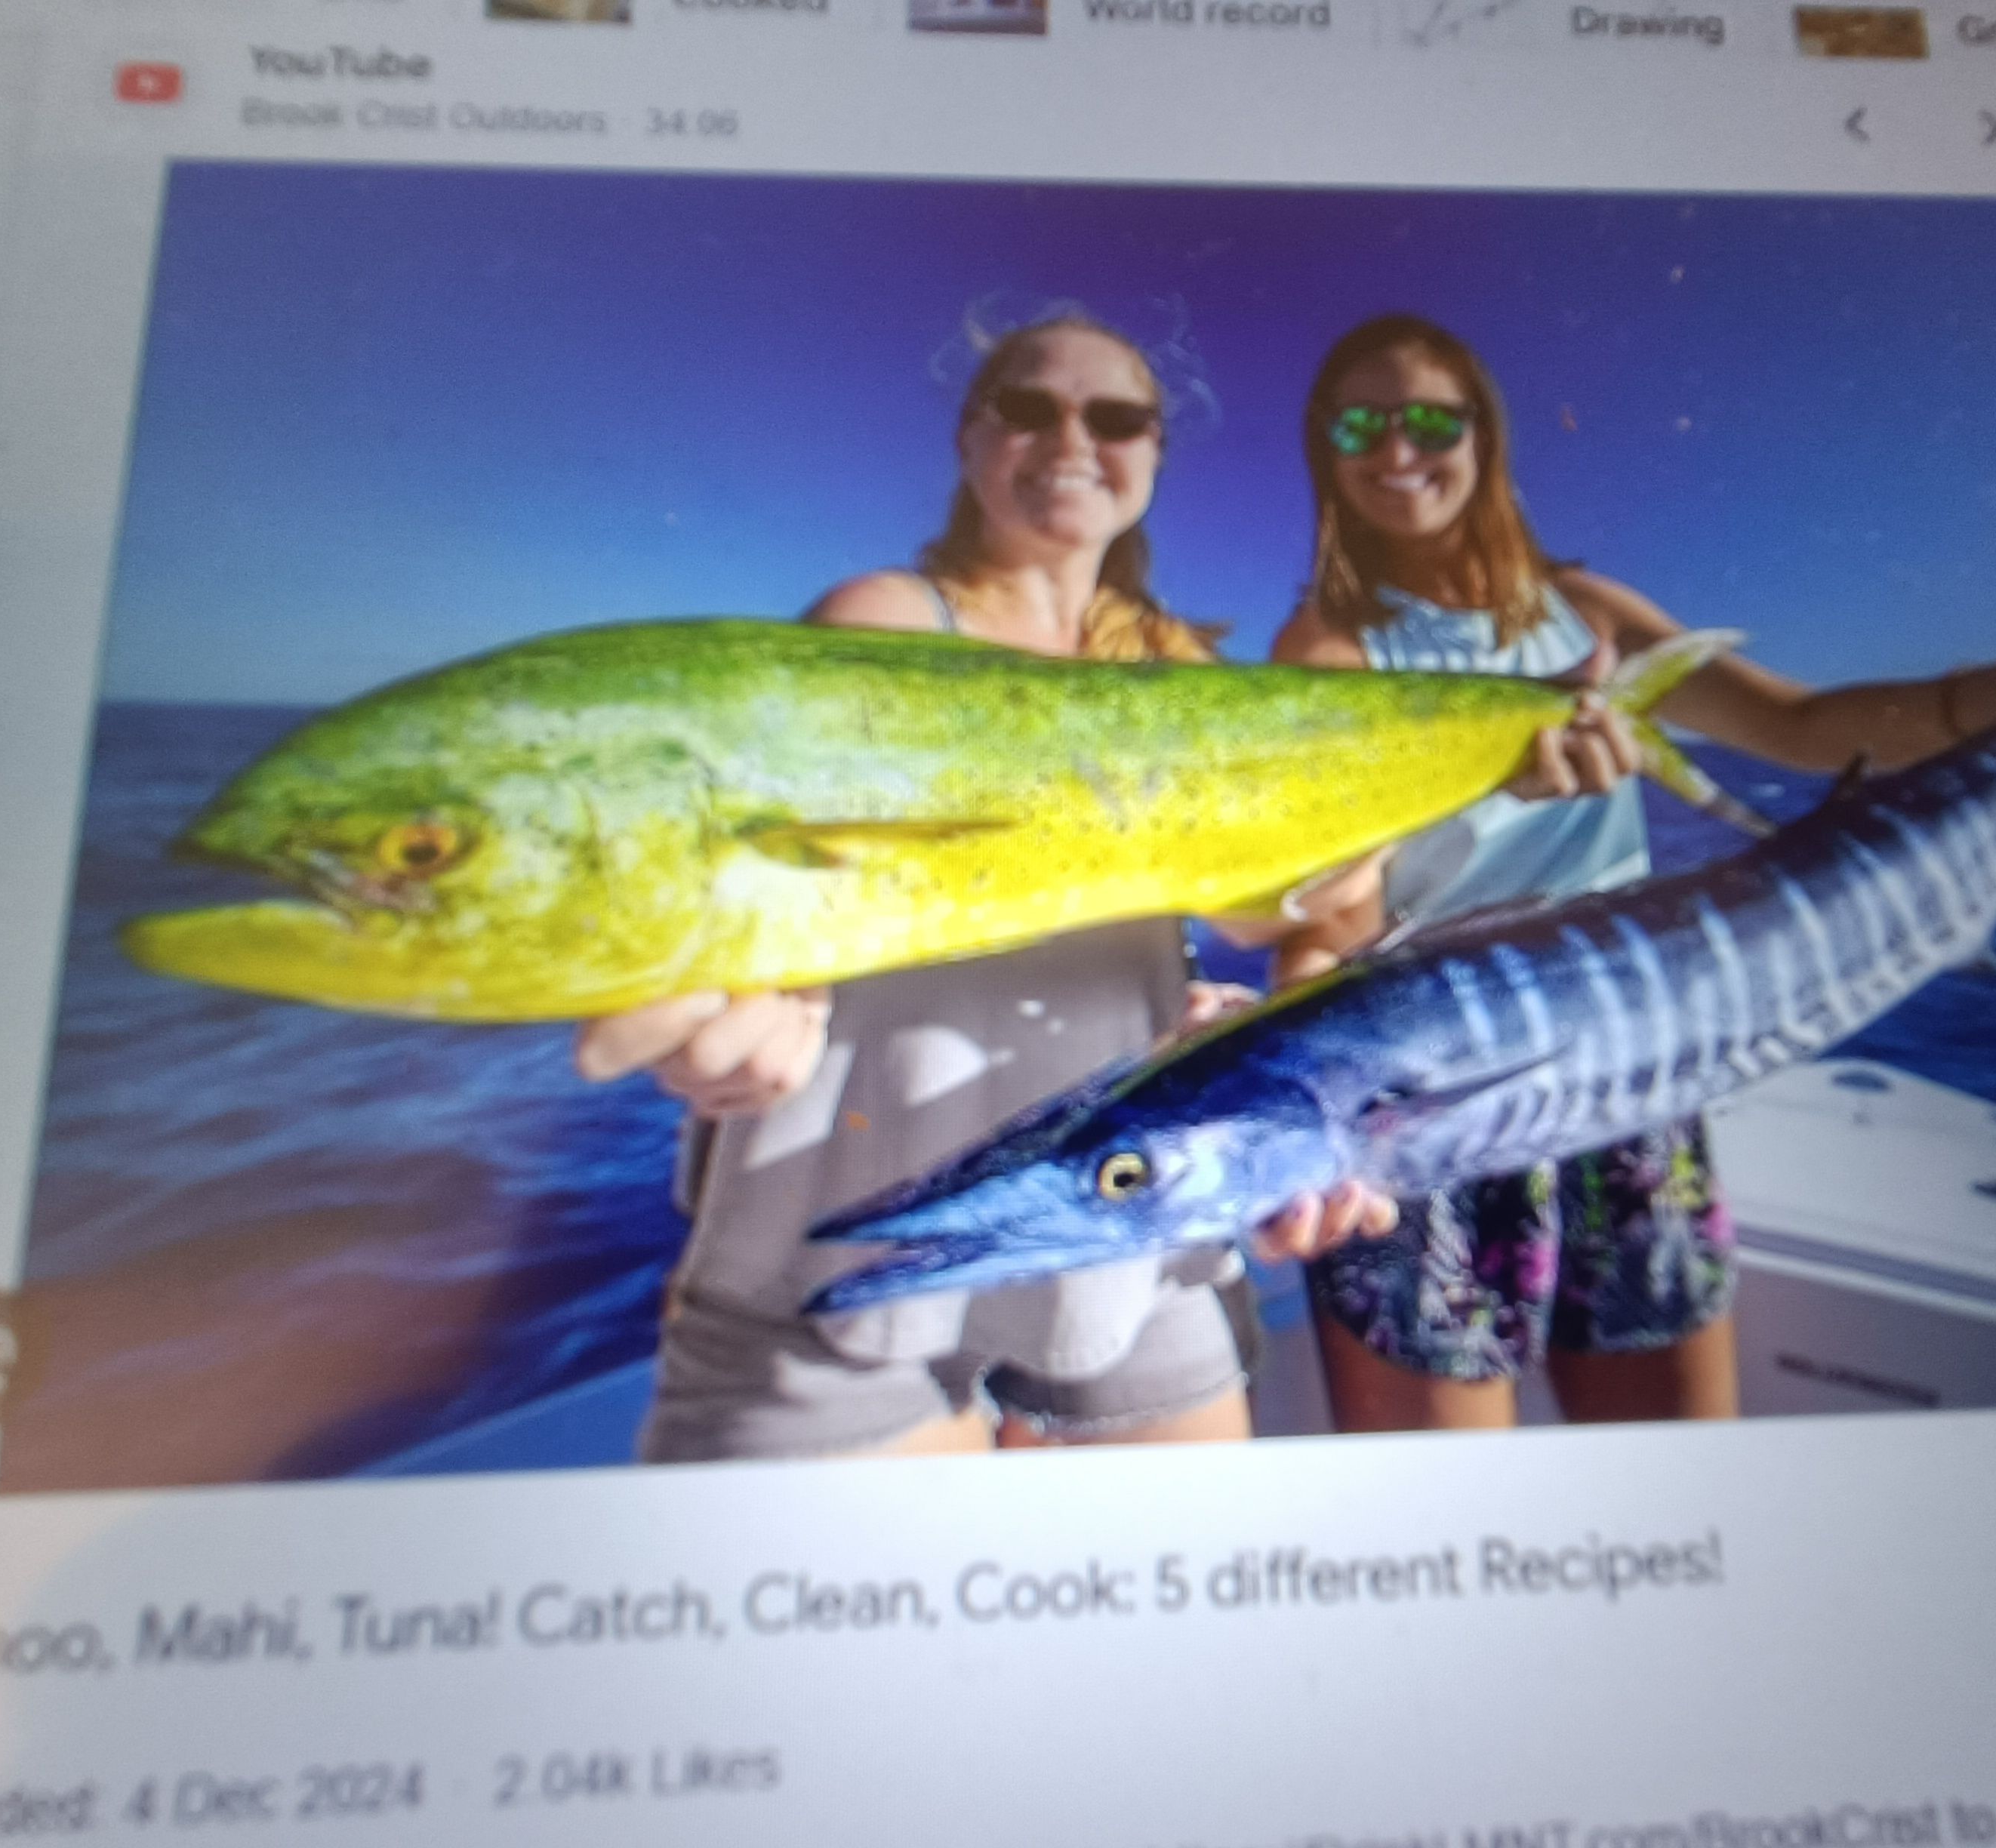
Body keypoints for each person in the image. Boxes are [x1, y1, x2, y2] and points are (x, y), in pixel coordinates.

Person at [1271, 313, 1996, 1436]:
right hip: (1438, 1099)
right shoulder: (1327, 648)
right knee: (1447, 1507)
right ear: (1325, 449)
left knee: (1680, 1472)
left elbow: (1806, 728)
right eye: (1359, 427)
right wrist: (1307, 1083)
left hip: (1641, 1074)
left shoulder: (1588, 614)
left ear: (1483, 434)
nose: (1396, 451)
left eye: (1430, 422)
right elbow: (1335, 911)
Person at [576, 314, 1392, 1461]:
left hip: (1118, 1220)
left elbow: (1255, 910)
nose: (1073, 440)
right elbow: (789, 868)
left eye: (1116, 419)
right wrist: (760, 1001)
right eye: (1029, 409)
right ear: (971, 439)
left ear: (1153, 456)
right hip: (856, 1216)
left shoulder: (1180, 665)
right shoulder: (884, 619)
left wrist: (1283, 1014)